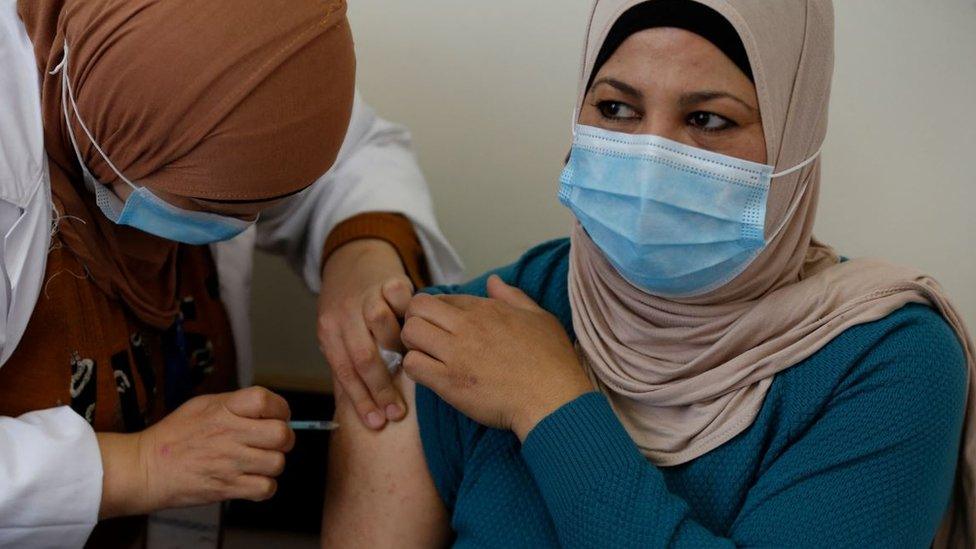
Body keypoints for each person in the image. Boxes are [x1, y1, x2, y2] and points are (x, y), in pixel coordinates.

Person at [323, 0, 975, 547]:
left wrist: (547, 400)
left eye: (707, 119)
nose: (652, 153)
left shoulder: (891, 362)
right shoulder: (465, 332)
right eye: (616, 109)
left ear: (795, 136)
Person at [0, 0, 461, 546]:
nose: (242, 228)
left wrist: (362, 248)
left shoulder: (233, 44)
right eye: (209, 205)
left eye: (258, 207)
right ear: (116, 119)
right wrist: (135, 468)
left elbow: (345, 151)